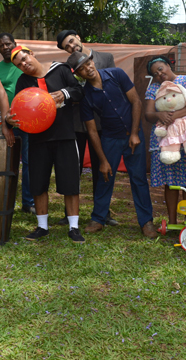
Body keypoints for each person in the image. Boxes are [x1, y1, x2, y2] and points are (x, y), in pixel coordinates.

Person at [68, 51, 156, 238]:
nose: (87, 69)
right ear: (79, 74)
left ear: (92, 61)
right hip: (110, 139)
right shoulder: (86, 96)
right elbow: (92, 130)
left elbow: (136, 101)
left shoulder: (116, 74)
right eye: (82, 69)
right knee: (105, 177)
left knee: (138, 178)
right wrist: (102, 160)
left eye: (88, 64)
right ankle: (98, 219)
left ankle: (146, 222)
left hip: (133, 136)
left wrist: (134, 133)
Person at [8, 45, 85, 243]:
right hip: (37, 139)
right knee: (38, 183)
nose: (24, 65)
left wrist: (65, 94)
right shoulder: (23, 82)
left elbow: (78, 91)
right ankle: (42, 227)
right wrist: (11, 120)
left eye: (25, 59)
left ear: (32, 54)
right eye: (19, 65)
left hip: (65, 136)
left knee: (70, 182)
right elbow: (18, 109)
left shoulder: (60, 69)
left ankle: (74, 227)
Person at [56, 29, 118, 226]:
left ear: (79, 38)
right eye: (67, 46)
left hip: (100, 122)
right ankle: (70, 214)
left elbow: (110, 87)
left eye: (73, 41)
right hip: (75, 124)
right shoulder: (66, 67)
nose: (72, 47)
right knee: (73, 168)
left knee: (102, 167)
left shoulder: (106, 58)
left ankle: (102, 212)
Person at [144, 56, 186, 225]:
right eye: (155, 73)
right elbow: (148, 115)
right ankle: (172, 222)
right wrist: (158, 115)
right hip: (166, 142)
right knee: (170, 183)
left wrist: (171, 117)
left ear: (169, 65)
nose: (159, 75)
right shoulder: (154, 88)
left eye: (161, 69)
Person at [0, 33, 33, 215]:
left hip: (28, 122)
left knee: (28, 162)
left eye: (8, 44)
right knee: (4, 164)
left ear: (15, 44)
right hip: (6, 123)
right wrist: (3, 122)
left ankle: (28, 202)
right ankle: (2, 201)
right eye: (1, 45)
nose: (5, 47)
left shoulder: (26, 64)